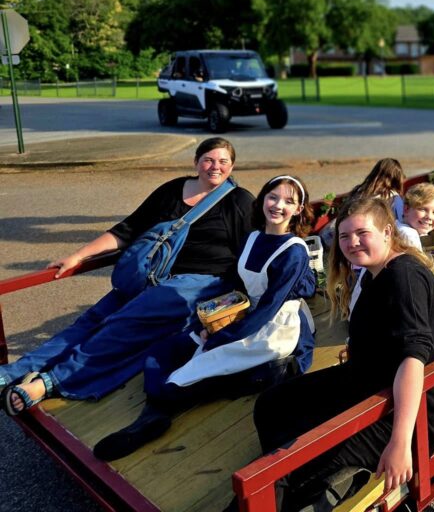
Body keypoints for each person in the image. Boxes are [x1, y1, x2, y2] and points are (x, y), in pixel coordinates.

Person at [0, 138, 254, 415]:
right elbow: (128, 229)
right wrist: (79, 256)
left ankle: (50, 382)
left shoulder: (239, 201)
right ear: (196, 162)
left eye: (223, 162)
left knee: (119, 326)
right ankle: (13, 371)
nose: (215, 167)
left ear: (232, 166)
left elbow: (253, 251)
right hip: (152, 277)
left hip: (195, 285)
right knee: (92, 320)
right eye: (208, 160)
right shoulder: (173, 190)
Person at [248, 197, 434, 511]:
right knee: (271, 405)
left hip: (412, 409)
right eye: (345, 236)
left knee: (288, 469)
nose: (352, 243)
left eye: (362, 233)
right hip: (370, 381)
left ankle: (297, 486)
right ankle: (301, 474)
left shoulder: (403, 277)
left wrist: (400, 443)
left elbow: (413, 359)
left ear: (387, 232)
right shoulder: (377, 272)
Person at [93, 175, 317, 461]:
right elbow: (237, 286)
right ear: (262, 199)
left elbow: (269, 307)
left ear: (298, 209)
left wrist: (222, 336)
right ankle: (155, 414)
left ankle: (153, 416)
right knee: (164, 351)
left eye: (289, 201)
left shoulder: (294, 252)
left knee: (195, 371)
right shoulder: (253, 237)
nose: (278, 205)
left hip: (271, 329)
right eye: (273, 197)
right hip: (241, 314)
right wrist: (211, 321)